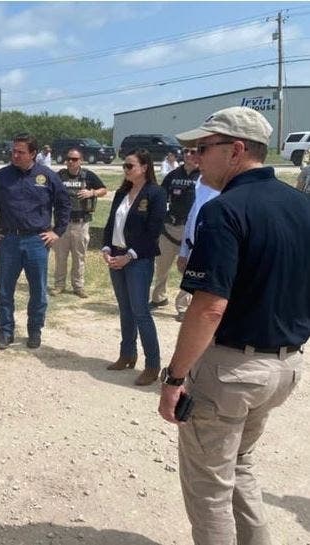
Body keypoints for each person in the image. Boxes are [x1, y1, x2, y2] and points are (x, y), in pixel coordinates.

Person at [158, 106, 310, 545]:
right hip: (284, 368)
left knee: (209, 490)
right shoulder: (301, 206)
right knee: (239, 465)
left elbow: (208, 307)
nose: (194, 158)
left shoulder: (224, 211)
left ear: (237, 150)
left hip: (230, 372)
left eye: (203, 148)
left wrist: (175, 377)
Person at [0, 133, 70, 350]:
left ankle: (34, 331)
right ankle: (5, 330)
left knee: (38, 290)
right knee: (4, 290)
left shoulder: (48, 176)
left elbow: (64, 205)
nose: (15, 155)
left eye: (21, 151)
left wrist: (57, 232)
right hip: (8, 240)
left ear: (33, 154)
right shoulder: (1, 176)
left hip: (37, 241)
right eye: (14, 150)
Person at [101, 148, 166, 386]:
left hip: (138, 259)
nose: (126, 170)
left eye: (130, 166)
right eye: (124, 166)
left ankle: (152, 364)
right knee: (125, 309)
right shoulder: (122, 192)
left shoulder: (156, 193)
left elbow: (153, 231)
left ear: (144, 167)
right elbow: (110, 224)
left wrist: (129, 256)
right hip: (116, 256)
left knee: (140, 311)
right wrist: (107, 249)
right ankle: (127, 354)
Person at [149, 147, 200, 320]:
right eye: (186, 151)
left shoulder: (204, 177)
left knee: (187, 269)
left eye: (193, 152)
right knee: (162, 266)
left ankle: (183, 306)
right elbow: (160, 198)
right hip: (169, 226)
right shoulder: (173, 175)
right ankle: (158, 298)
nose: (188, 155)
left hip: (191, 228)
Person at [50, 148, 107, 298]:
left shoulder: (88, 175)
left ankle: (78, 286)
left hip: (81, 224)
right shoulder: (59, 176)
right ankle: (59, 285)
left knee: (79, 257)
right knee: (60, 256)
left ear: (80, 161)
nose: (70, 162)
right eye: (69, 159)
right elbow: (48, 191)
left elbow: (103, 190)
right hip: (62, 224)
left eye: (74, 159)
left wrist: (92, 192)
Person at [176, 171, 220, 318]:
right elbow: (191, 220)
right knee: (192, 285)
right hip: (194, 248)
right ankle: (185, 308)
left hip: (216, 252)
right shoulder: (201, 185)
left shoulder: (229, 189)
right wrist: (183, 252)